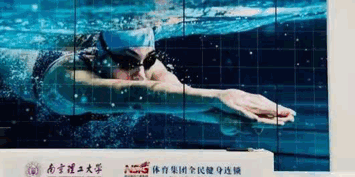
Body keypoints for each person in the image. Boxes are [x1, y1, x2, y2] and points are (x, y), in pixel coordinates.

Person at [22, 27, 295, 133]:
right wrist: (220, 96)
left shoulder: (145, 67)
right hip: (28, 70)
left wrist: (225, 117)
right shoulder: (67, 77)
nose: (141, 74)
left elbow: (181, 98)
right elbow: (138, 96)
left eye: (149, 60)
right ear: (101, 57)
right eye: (127, 62)